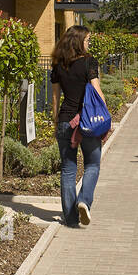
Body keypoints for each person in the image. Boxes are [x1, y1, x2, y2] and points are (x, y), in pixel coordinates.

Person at [50, 24, 105, 227]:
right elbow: (96, 90)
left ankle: (71, 219)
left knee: (68, 169)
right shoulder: (89, 62)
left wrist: (56, 121)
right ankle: (84, 200)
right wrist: (104, 115)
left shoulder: (57, 64)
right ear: (78, 41)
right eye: (87, 39)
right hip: (87, 121)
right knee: (92, 164)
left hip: (65, 120)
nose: (89, 42)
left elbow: (55, 98)